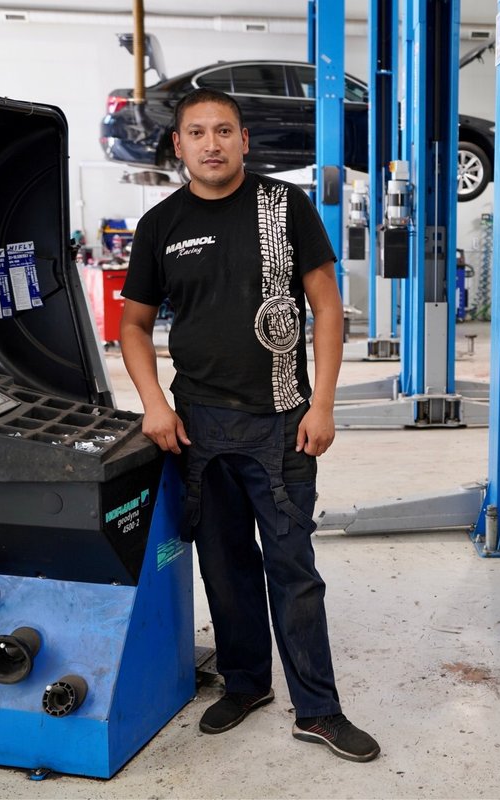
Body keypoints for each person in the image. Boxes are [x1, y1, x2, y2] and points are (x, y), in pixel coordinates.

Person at [119, 88, 379, 763]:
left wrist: (323, 403)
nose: (211, 143)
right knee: (224, 564)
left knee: (293, 567)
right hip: (198, 428)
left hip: (282, 421)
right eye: (197, 132)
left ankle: (318, 710)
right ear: (178, 144)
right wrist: (154, 403)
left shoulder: (284, 206)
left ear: (244, 140)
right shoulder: (161, 225)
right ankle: (245, 684)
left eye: (224, 130)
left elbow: (327, 306)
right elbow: (134, 326)